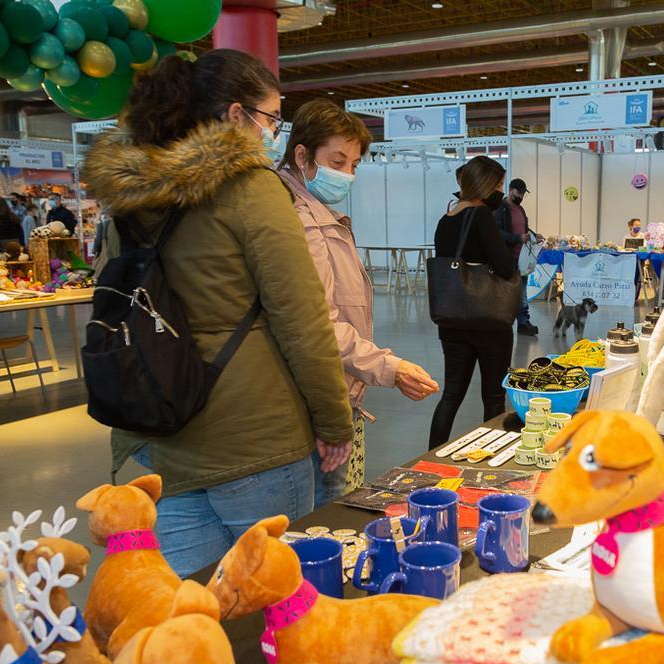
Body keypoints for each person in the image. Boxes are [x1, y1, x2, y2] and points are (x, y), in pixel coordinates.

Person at [82, 49, 354, 576]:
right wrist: (334, 422)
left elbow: (111, 293)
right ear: (235, 116)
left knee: (193, 613)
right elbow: (302, 322)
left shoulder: (130, 194)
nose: (274, 133)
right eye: (272, 118)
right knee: (280, 602)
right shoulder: (251, 188)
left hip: (156, 433)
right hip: (254, 439)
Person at [277, 99, 438, 505]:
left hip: (332, 394)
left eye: (354, 164)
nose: (347, 173)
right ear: (301, 155)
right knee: (324, 519)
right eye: (337, 160)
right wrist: (390, 366)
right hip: (317, 404)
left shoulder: (316, 213)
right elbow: (319, 324)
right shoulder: (299, 220)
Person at [430, 156, 517, 447]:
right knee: (493, 397)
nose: (500, 192)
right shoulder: (481, 216)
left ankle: (431, 456)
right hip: (488, 321)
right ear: (485, 185)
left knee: (451, 395)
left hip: (452, 319)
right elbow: (505, 267)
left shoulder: (446, 219)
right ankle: (492, 455)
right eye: (499, 185)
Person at [494, 177, 538, 336]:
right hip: (507, 258)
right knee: (505, 292)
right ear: (511, 190)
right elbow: (497, 232)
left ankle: (523, 323)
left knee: (523, 292)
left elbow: (524, 228)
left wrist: (533, 235)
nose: (521, 196)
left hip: (523, 258)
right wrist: (517, 238)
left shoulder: (521, 210)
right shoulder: (501, 208)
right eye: (519, 193)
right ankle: (502, 322)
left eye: (523, 194)